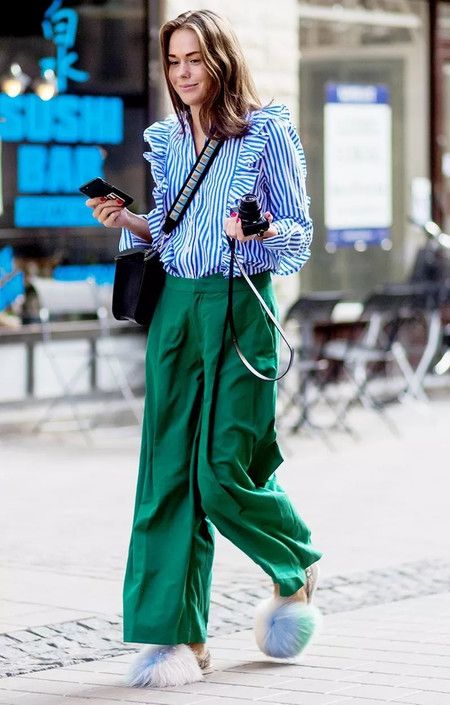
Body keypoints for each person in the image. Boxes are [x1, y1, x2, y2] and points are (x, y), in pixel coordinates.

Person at [86, 8, 323, 690]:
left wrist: (259, 231)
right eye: (174, 61)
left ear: (221, 60)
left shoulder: (266, 132)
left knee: (222, 470)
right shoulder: (167, 138)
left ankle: (297, 559)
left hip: (239, 303)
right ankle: (178, 636)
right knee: (166, 473)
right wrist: (128, 220)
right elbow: (168, 234)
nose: (184, 72)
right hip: (177, 311)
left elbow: (299, 236)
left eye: (195, 59)